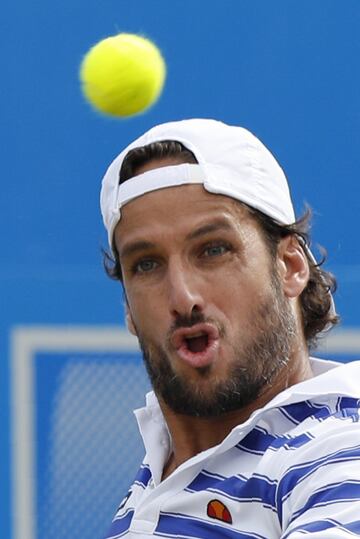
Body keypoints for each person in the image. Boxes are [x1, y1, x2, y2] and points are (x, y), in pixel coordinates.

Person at [100, 119, 360, 538]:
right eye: (146, 263)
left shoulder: (340, 455)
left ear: (290, 267)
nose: (182, 297)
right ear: (128, 306)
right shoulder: (160, 472)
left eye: (213, 250)